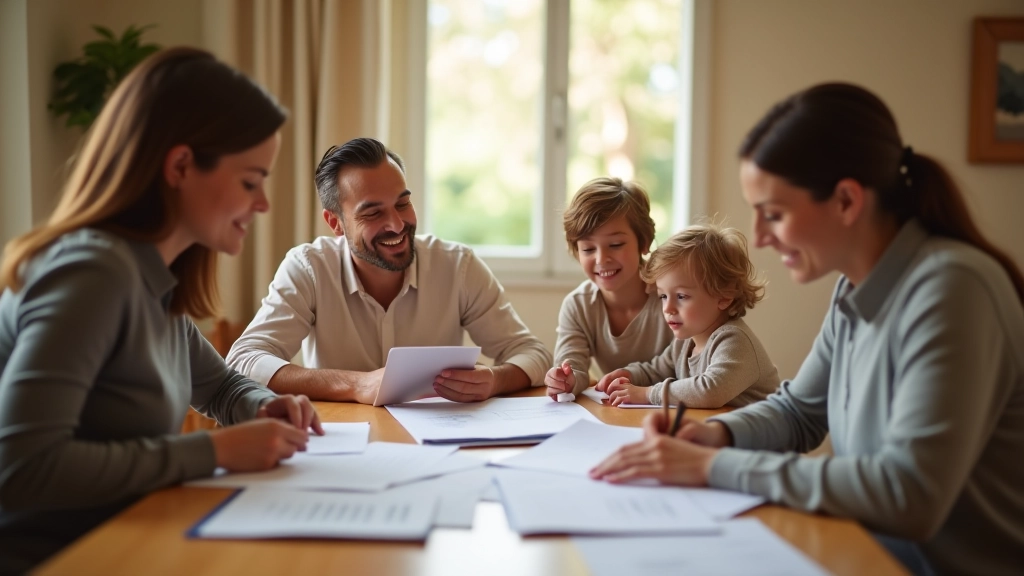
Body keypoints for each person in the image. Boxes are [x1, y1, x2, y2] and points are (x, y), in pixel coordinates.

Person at [590, 83, 1024, 575]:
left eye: (773, 213)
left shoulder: (952, 289)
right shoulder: (855, 289)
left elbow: (909, 496)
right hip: (863, 549)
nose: (758, 236)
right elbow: (800, 412)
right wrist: (715, 438)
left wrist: (714, 467)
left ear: (845, 201)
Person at [0, 47, 323, 574]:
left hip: (126, 539)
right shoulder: (94, 273)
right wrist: (216, 452)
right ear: (180, 165)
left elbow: (221, 388)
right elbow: (22, 467)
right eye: (250, 180)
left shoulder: (152, 280)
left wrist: (264, 406)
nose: (263, 203)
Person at [226, 137, 552, 404]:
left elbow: (533, 353)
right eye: (373, 213)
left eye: (402, 204)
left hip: (440, 444)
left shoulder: (458, 266)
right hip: (341, 447)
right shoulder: (308, 268)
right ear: (335, 223)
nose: (397, 225)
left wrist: (494, 380)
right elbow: (243, 360)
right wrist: (356, 385)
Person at [599, 223, 780, 408]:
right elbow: (655, 371)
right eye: (663, 296)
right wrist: (627, 375)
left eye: (681, 296)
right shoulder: (685, 342)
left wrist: (647, 393)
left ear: (724, 296)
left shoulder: (734, 341)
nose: (668, 308)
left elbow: (710, 391)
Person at [543, 177, 673, 401]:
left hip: (676, 409)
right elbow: (573, 365)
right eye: (588, 249)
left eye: (615, 245)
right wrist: (565, 379)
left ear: (644, 242)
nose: (602, 259)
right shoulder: (578, 305)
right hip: (620, 412)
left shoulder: (673, 296)